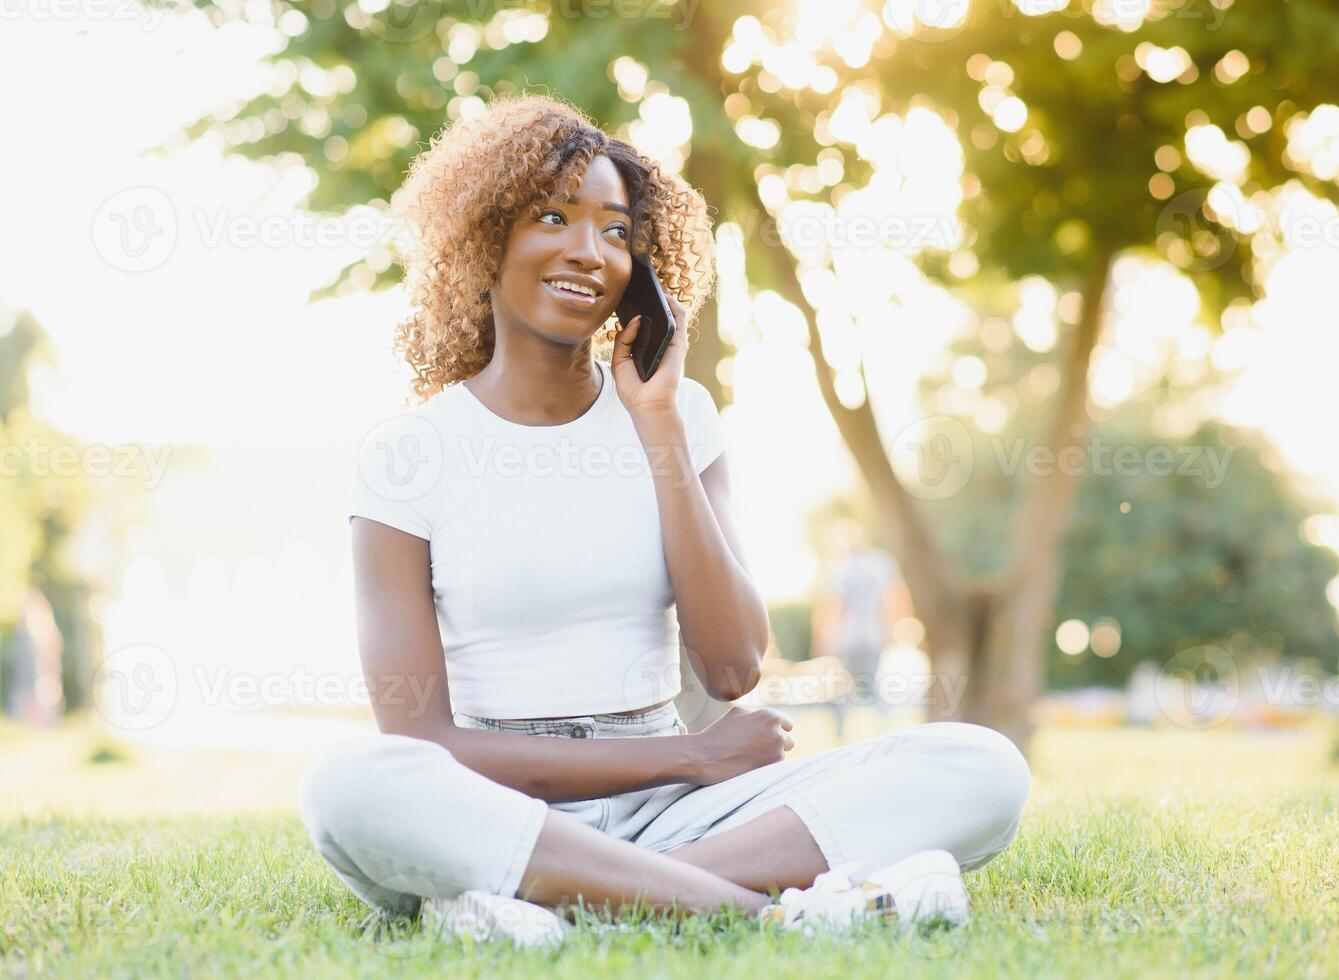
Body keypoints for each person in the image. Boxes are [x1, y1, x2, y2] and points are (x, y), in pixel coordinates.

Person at [298, 92, 1030, 948]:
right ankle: (781, 916)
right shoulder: (407, 455)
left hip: (677, 818)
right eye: (552, 217)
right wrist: (690, 756)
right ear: (484, 237)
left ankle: (555, 908)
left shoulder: (681, 419)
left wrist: (661, 430)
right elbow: (423, 739)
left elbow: (731, 667)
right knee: (351, 784)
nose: (589, 251)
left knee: (980, 767)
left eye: (616, 231)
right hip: (499, 807)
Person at [811, 523, 910, 738]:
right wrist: (894, 631)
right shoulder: (881, 564)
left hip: (845, 640)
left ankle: (841, 733)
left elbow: (832, 607)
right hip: (874, 637)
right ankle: (886, 730)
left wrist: (822, 640)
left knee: (842, 689)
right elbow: (894, 599)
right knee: (874, 685)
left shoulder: (839, 566)